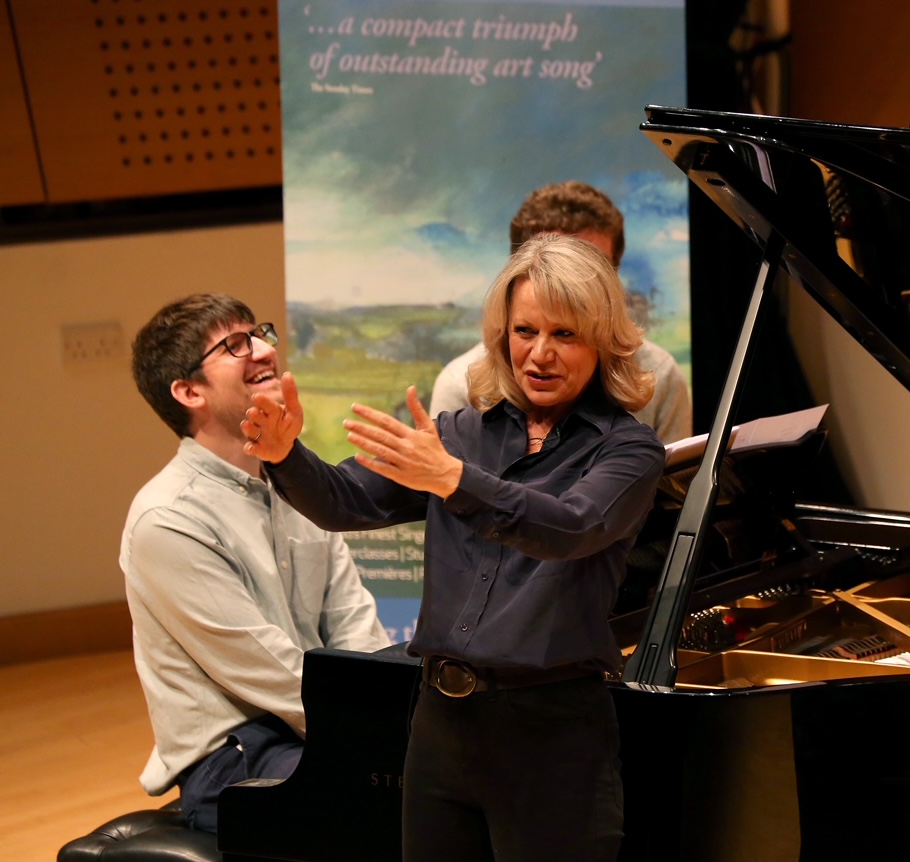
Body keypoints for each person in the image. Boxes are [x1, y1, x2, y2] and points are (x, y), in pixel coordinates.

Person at [243, 234, 667, 862]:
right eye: (525, 330)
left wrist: (453, 480)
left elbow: (570, 527)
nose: (540, 354)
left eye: (566, 335)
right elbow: (344, 501)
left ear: (603, 340)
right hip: (440, 726)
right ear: (501, 335)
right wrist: (285, 455)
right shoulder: (458, 435)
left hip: (551, 733)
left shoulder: (628, 450)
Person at [121, 293, 390, 832]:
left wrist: (397, 707)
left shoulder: (299, 485)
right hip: (236, 755)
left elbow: (355, 626)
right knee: (399, 807)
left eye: (260, 334)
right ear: (189, 390)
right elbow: (270, 673)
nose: (265, 350)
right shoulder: (167, 518)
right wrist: (388, 738)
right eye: (235, 345)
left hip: (319, 723)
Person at [430, 180, 692, 444]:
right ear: (517, 271)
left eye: (588, 268)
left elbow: (674, 484)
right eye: (546, 265)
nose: (541, 354)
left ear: (615, 273)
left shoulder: (660, 376)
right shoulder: (459, 385)